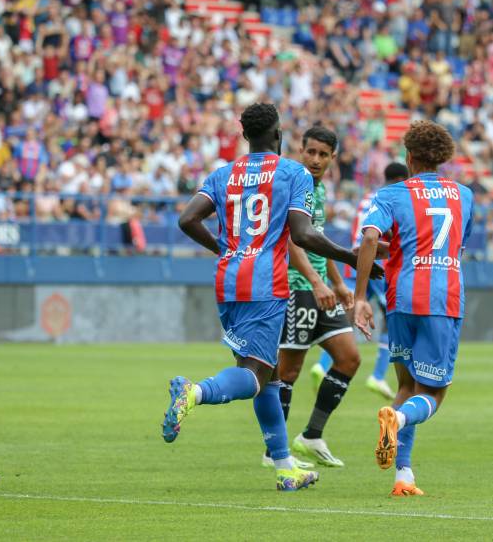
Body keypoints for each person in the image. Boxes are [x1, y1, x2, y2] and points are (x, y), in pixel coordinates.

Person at [164, 103, 378, 491]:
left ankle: (284, 466)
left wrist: (222, 248)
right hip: (266, 284)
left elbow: (186, 219)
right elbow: (303, 234)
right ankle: (193, 392)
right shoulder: (292, 173)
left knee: (272, 376)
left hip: (228, 281)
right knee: (255, 375)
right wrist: (350, 256)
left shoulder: (223, 174)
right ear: (278, 135)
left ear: (245, 135)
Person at [354, 120, 474, 497]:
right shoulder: (464, 195)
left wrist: (359, 298)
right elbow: (452, 248)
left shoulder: (392, 194)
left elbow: (371, 238)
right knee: (434, 393)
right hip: (442, 298)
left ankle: (403, 475)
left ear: (408, 156)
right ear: (442, 158)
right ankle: (399, 419)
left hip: (401, 299)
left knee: (406, 384)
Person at [265, 125, 358, 469]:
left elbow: (318, 239)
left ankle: (311, 435)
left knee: (349, 358)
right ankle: (274, 453)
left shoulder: (319, 190)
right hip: (296, 287)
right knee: (288, 372)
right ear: (300, 151)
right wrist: (318, 283)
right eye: (310, 152)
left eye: (323, 154)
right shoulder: (294, 184)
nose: (315, 159)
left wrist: (337, 283)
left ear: (333, 158)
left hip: (319, 288)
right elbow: (292, 242)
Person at [313, 162, 409, 401]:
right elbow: (379, 237)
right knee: (390, 319)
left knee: (349, 313)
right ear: (400, 180)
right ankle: (377, 375)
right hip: (375, 265)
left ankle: (322, 364)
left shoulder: (368, 198)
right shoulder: (394, 199)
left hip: (353, 260)